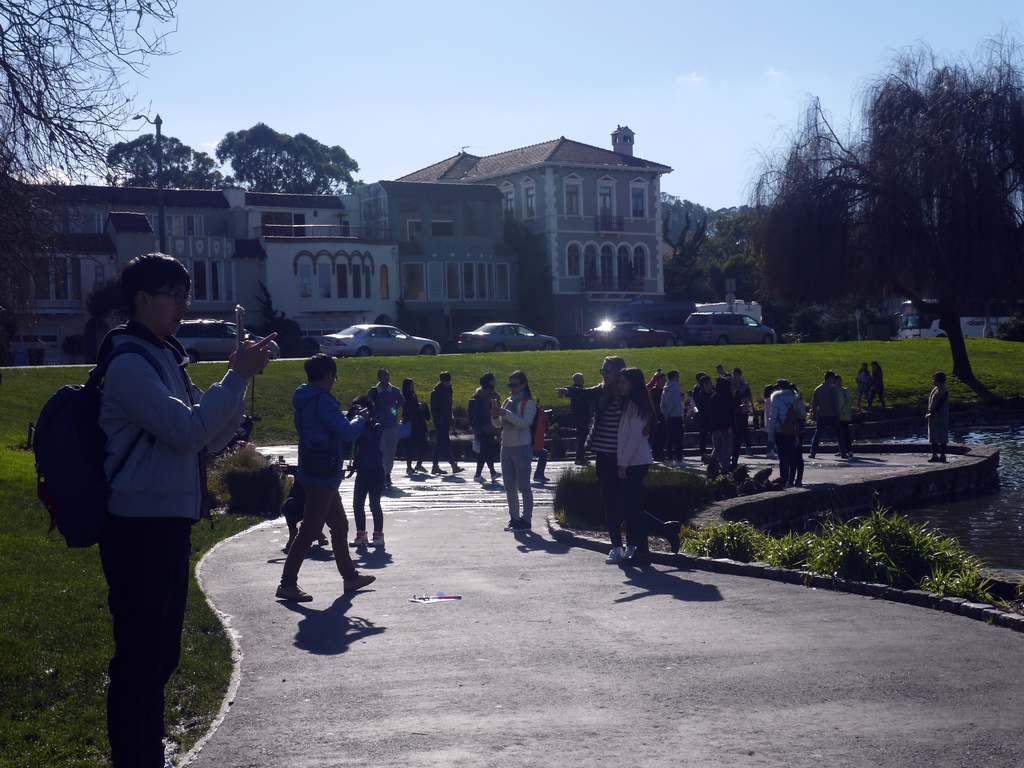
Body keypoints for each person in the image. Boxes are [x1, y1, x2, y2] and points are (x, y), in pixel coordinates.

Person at [97, 252, 275, 767]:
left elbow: (209, 436)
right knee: (139, 658)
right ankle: (136, 757)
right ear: (142, 299)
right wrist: (235, 380)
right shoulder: (130, 364)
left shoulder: (163, 357)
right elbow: (188, 431)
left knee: (161, 656)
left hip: (168, 524)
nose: (183, 305)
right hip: (136, 529)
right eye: (174, 295)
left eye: (186, 294)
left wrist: (238, 378)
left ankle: (147, 751)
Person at [278, 353, 376, 603]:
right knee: (309, 530)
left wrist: (348, 416)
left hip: (313, 470)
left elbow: (317, 428)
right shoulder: (323, 400)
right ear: (329, 375)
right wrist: (360, 419)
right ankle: (287, 583)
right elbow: (346, 432)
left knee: (340, 527)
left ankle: (350, 577)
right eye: (334, 376)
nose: (334, 381)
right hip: (323, 474)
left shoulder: (304, 399)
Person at [557, 356, 627, 565]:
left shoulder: (628, 395)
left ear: (619, 372)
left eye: (608, 370)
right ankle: (616, 547)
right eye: (602, 370)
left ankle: (636, 544)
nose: (604, 374)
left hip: (625, 457)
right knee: (610, 504)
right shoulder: (600, 391)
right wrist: (569, 390)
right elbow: (585, 394)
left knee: (627, 503)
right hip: (604, 456)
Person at [615, 367, 657, 566]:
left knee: (635, 509)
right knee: (633, 509)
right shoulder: (635, 404)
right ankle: (644, 548)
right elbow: (641, 433)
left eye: (624, 382)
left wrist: (623, 463)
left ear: (633, 384)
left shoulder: (633, 405)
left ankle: (643, 551)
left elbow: (633, 437)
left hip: (635, 461)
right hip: (637, 460)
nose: (620, 386)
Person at [494, 370, 536, 530]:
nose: (512, 388)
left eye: (515, 385)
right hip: (506, 447)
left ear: (523, 385)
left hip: (522, 447)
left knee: (524, 486)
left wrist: (507, 414)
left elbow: (524, 423)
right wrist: (495, 416)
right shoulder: (507, 401)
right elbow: (499, 425)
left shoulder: (528, 402)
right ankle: (514, 518)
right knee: (509, 486)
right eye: (509, 385)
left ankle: (526, 520)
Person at [346, 395, 387, 548]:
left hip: (376, 470)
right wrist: (354, 418)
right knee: (357, 504)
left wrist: (362, 421)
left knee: (374, 503)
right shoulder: (354, 425)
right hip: (362, 471)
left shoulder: (376, 426)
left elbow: (372, 441)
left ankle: (378, 535)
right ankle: (361, 534)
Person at [367, 369, 405, 489]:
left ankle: (388, 473)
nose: (386, 377)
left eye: (387, 375)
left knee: (391, 451)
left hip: (392, 425)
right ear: (379, 378)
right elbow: (368, 405)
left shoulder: (394, 390)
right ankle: (382, 474)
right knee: (382, 450)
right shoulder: (373, 392)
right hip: (378, 426)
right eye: (383, 375)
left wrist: (394, 409)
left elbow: (402, 401)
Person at [768, 379, 806, 487]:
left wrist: (770, 435)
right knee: (791, 457)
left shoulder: (776, 398)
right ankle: (791, 480)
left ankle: (783, 480)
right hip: (792, 431)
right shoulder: (794, 398)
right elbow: (796, 417)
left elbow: (773, 417)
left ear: (780, 387)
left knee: (782, 458)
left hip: (779, 431)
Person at [429, 371, 463, 475]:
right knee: (445, 443)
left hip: (446, 419)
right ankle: (453, 465)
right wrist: (439, 419)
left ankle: (435, 466)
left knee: (439, 443)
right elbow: (434, 408)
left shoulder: (447, 390)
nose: (447, 383)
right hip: (441, 420)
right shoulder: (437, 392)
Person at [809, 371, 850, 459]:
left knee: (817, 435)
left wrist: (814, 415)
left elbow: (814, 404)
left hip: (821, 415)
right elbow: (836, 403)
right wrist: (838, 415)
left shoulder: (817, 389)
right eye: (833, 379)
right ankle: (843, 453)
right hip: (832, 415)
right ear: (830, 378)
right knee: (839, 435)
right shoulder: (832, 389)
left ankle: (813, 452)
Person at [470, 372, 502, 481]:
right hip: (489, 426)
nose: (495, 381)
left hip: (478, 425)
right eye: (494, 379)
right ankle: (480, 474)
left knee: (485, 450)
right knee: (486, 450)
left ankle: (489, 473)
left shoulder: (477, 393)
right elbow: (497, 412)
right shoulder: (493, 395)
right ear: (490, 382)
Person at [400, 377, 429, 475]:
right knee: (410, 447)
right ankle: (409, 466)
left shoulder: (413, 395)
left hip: (418, 423)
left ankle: (418, 464)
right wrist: (418, 409)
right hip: (411, 424)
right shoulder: (405, 397)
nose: (413, 386)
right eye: (412, 385)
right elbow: (408, 410)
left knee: (424, 445)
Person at [709, 375, 736, 472]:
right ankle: (725, 468)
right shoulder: (728, 397)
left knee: (717, 448)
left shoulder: (713, 396)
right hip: (726, 426)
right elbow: (733, 408)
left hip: (715, 426)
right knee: (726, 448)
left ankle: (712, 466)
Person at [569, 372, 593, 465]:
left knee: (581, 438)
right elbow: (584, 404)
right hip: (582, 418)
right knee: (582, 438)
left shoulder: (575, 391)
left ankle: (580, 457)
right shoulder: (579, 391)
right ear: (578, 380)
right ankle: (580, 458)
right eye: (582, 378)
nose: (584, 380)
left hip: (579, 418)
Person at [660, 369, 684, 465]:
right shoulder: (676, 387)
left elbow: (662, 404)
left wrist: (665, 414)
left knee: (670, 438)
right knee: (679, 438)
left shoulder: (665, 388)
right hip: (676, 415)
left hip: (668, 417)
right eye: (678, 376)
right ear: (674, 377)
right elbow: (675, 401)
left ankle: (669, 457)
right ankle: (679, 458)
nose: (679, 378)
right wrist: (669, 412)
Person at [731, 367, 753, 466]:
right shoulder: (731, 385)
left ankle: (748, 447)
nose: (735, 376)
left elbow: (749, 396)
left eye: (736, 374)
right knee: (735, 431)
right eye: (734, 374)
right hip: (734, 411)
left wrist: (745, 400)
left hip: (743, 411)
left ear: (740, 375)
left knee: (744, 429)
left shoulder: (745, 386)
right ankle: (735, 449)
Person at [926, 371, 950, 462]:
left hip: (941, 417)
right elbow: (931, 403)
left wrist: (931, 413)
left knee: (942, 437)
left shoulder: (944, 391)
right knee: (933, 437)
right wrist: (929, 412)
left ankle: (942, 455)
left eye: (934, 379)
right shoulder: (935, 390)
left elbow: (939, 404)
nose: (933, 381)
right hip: (933, 417)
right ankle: (935, 455)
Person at [646, 370, 667, 462]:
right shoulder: (654, 391)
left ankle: (660, 454)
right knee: (656, 436)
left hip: (663, 415)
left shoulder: (664, 390)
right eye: (662, 379)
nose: (664, 380)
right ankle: (657, 455)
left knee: (662, 436)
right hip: (656, 415)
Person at [691, 373, 714, 455]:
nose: (711, 385)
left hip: (709, 417)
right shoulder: (700, 394)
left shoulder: (712, 393)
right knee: (703, 435)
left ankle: (711, 453)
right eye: (709, 383)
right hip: (704, 417)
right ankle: (703, 453)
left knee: (710, 435)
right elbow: (699, 405)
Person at [834, 374, 854, 458]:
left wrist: (843, 411)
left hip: (844, 417)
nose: (839, 383)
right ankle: (841, 449)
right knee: (839, 434)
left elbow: (849, 402)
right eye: (837, 381)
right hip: (837, 416)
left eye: (840, 381)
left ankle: (849, 449)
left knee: (846, 434)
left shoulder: (845, 391)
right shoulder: (833, 391)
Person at [532, 398, 550, 483]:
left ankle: (538, 474)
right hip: (532, 444)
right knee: (543, 454)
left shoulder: (533, 412)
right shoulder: (538, 413)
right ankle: (539, 474)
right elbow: (545, 429)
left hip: (528, 443)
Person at [762, 383, 778, 460]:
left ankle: (770, 450)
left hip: (768, 421)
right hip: (770, 421)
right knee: (771, 437)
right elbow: (769, 411)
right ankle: (769, 450)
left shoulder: (767, 399)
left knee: (771, 437)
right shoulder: (769, 400)